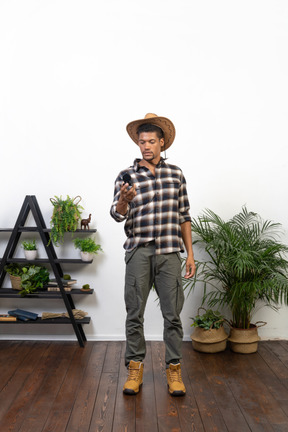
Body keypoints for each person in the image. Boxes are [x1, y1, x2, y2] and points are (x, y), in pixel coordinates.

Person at [110, 113, 196, 396]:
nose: (145, 146)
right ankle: (135, 368)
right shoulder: (126, 176)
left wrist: (191, 255)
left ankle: (174, 370)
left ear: (162, 143)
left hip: (170, 252)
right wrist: (124, 200)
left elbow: (184, 215)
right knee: (134, 312)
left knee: (173, 315)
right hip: (139, 251)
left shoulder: (176, 175)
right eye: (141, 141)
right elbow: (116, 214)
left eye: (150, 141)